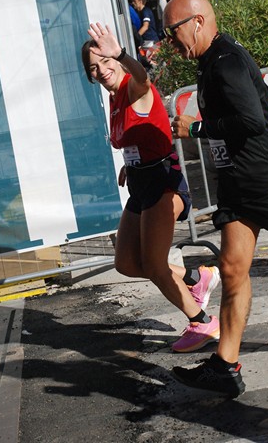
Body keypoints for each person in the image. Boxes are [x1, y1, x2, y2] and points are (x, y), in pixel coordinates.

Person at [164, 0, 268, 397]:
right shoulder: (209, 62)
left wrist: (196, 129)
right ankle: (225, 366)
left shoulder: (227, 62)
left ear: (198, 22)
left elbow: (251, 121)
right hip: (239, 185)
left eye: (173, 32)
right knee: (234, 269)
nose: (171, 42)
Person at [81, 22, 220, 353]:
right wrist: (129, 167)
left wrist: (123, 55)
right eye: (94, 68)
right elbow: (138, 137)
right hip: (141, 183)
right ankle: (193, 278)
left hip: (163, 184)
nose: (102, 70)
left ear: (115, 58)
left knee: (155, 265)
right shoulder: (115, 99)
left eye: (105, 61)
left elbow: (144, 80)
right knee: (127, 262)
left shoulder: (132, 86)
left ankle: (203, 323)